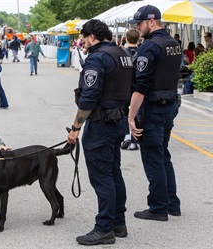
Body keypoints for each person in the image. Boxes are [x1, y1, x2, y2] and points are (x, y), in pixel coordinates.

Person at [67, 19, 133, 246]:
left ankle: (104, 228)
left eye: (84, 38)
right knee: (113, 172)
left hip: (101, 124)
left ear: (92, 36)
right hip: (117, 122)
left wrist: (75, 128)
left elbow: (89, 97)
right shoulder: (122, 53)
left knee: (102, 177)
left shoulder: (97, 58)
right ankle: (118, 222)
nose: (82, 43)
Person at [127, 5, 181, 222]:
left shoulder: (150, 47)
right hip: (169, 105)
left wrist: (131, 117)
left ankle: (158, 207)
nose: (137, 28)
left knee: (153, 157)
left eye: (139, 24)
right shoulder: (173, 43)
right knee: (163, 154)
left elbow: (141, 86)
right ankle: (172, 203)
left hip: (153, 107)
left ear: (151, 21)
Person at [121, 28, 140, 151]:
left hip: (124, 87)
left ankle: (126, 135)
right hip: (138, 87)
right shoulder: (142, 52)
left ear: (126, 39)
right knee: (136, 113)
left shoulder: (122, 53)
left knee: (123, 112)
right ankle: (134, 140)